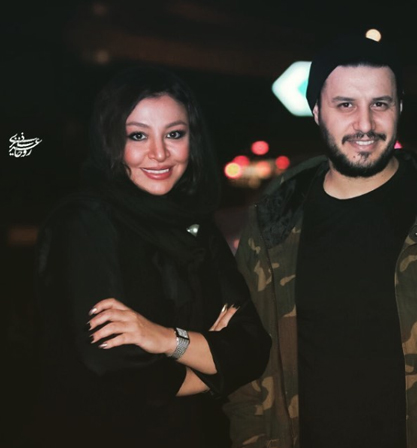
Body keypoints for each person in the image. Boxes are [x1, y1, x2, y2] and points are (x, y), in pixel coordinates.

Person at [224, 35, 417, 448]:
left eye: (380, 104)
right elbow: (249, 369)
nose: (365, 124)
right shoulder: (273, 225)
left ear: (399, 108)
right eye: (345, 105)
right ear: (316, 111)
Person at [30, 64, 271, 448]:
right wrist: (209, 364)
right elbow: (114, 368)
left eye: (174, 134)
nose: (159, 154)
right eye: (138, 135)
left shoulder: (196, 225)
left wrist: (165, 339)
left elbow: (253, 348)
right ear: (111, 141)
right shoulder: (86, 221)